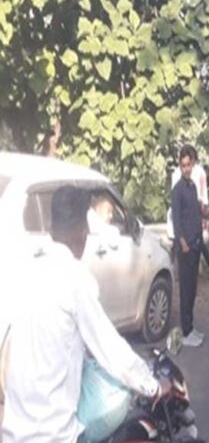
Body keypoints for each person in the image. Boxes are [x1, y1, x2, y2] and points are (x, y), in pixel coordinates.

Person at [2, 186, 171, 443]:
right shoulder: (75, 279)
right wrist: (153, 385)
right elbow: (111, 350)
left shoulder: (27, 272)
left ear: (50, 228)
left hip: (13, 433)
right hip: (54, 436)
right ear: (83, 233)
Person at [172, 145, 205, 347]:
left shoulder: (192, 187)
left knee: (193, 289)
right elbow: (176, 220)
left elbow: (194, 215)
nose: (186, 168)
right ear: (180, 166)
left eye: (188, 165)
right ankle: (185, 331)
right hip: (185, 248)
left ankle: (191, 327)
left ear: (192, 164)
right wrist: (182, 242)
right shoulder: (177, 190)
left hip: (195, 244)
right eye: (183, 165)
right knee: (185, 290)